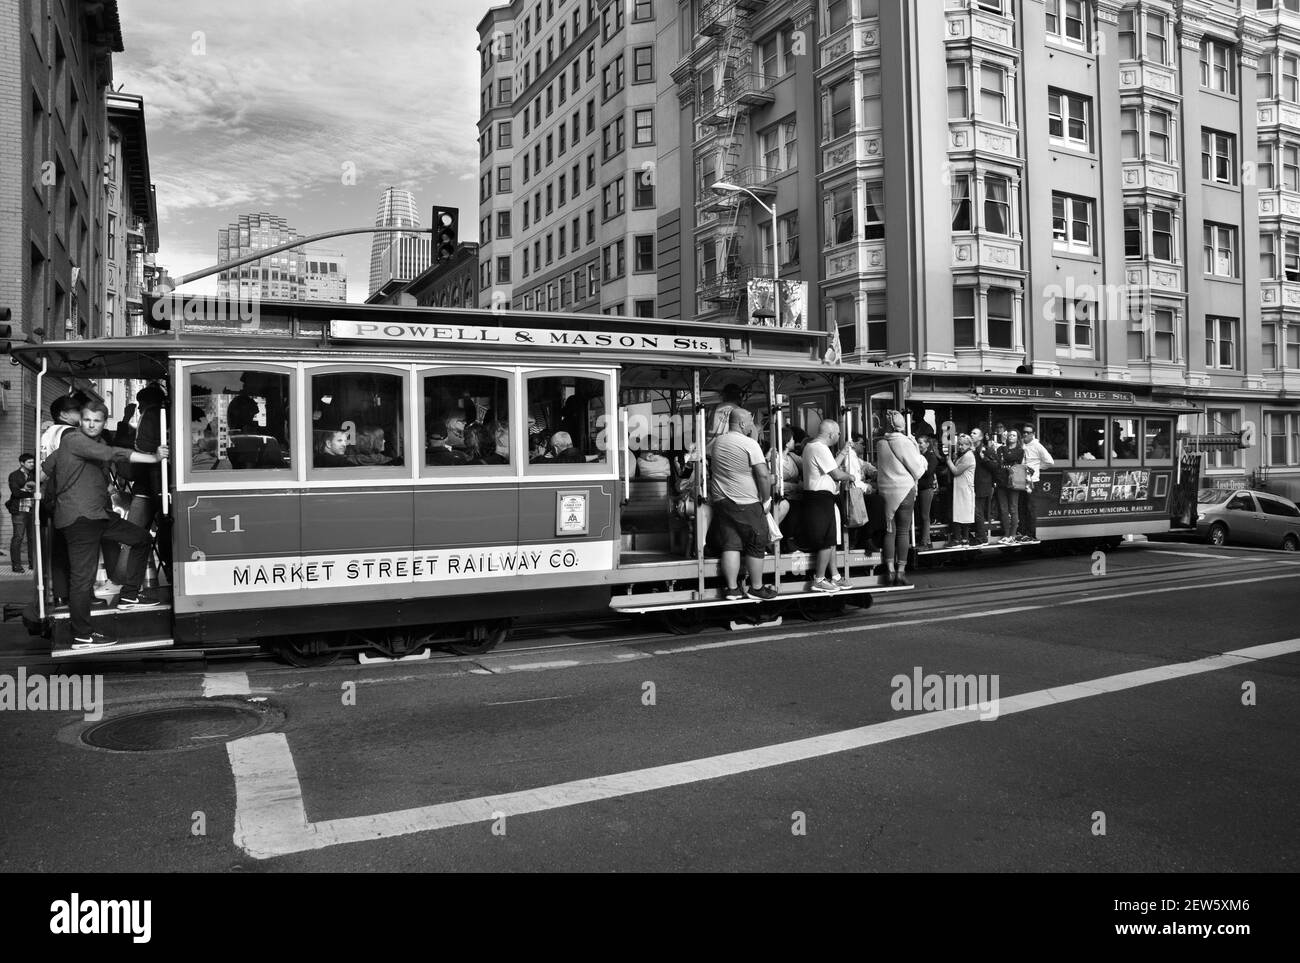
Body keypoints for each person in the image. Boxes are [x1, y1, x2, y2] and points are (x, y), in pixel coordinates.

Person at [43, 401, 169, 649]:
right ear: (80, 420)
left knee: (141, 538)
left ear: (103, 422)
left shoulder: (95, 444)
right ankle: (82, 635)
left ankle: (130, 595)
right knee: (82, 579)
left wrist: (34, 481)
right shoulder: (73, 440)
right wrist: (154, 457)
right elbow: (114, 454)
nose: (91, 424)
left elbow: (47, 467)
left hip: (100, 516)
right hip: (79, 519)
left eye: (97, 420)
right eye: (87, 419)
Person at [706, 408, 778, 601]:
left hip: (722, 502)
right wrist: (767, 499)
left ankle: (731, 589)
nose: (753, 426)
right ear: (743, 423)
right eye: (751, 422)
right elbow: (763, 475)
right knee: (757, 542)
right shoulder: (749, 444)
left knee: (730, 544)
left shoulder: (718, 442)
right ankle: (756, 587)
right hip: (746, 502)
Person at [800, 419, 856, 592]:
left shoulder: (811, 446)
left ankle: (835, 576)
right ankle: (819, 579)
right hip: (821, 498)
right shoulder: (820, 448)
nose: (839, 436)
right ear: (831, 434)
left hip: (819, 498)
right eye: (838, 433)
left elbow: (830, 467)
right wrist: (852, 477)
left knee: (830, 540)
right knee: (826, 540)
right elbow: (837, 474)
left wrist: (844, 450)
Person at [875, 410, 927, 586]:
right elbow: (918, 470)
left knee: (890, 530)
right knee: (904, 531)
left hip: (885, 491)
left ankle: (889, 571)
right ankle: (901, 572)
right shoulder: (905, 442)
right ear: (902, 425)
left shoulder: (880, 443)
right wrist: (917, 450)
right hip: (904, 490)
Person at [1020, 424, 1054, 542]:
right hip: (1020, 479)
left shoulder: (1037, 446)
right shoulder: (1022, 443)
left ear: (1033, 434)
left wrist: (1037, 468)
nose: (1025, 434)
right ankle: (1023, 532)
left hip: (1032, 481)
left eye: (1028, 432)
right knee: (1022, 507)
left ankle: (1031, 534)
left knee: (1030, 508)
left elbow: (1050, 462)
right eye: (1024, 432)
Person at [994, 428, 1025, 544]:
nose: (1011, 437)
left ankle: (1013, 534)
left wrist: (1003, 453)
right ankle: (1006, 534)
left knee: (1013, 508)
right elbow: (998, 461)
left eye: (1014, 435)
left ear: (1018, 438)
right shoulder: (1001, 448)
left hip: (1014, 482)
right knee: (1003, 509)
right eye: (1009, 435)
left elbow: (1009, 457)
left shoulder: (1020, 450)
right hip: (1001, 482)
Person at [7, 453, 37, 573]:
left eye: (33, 462)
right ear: (22, 463)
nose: (32, 464)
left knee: (32, 538)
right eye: (29, 462)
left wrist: (24, 490)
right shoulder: (14, 475)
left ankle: (32, 564)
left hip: (33, 510)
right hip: (19, 510)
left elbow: (40, 488)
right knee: (18, 537)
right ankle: (16, 565)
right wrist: (32, 492)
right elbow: (16, 493)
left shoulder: (35, 474)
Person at [946, 434, 976, 545]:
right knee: (960, 513)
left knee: (963, 514)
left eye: (963, 444)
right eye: (959, 444)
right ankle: (962, 538)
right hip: (961, 488)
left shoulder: (968, 456)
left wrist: (949, 461)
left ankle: (961, 538)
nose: (960, 446)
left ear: (969, 445)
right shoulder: (963, 455)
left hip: (965, 488)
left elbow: (956, 471)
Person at [969, 426, 994, 545]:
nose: (971, 435)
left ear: (980, 437)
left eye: (974, 433)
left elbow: (995, 467)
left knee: (977, 511)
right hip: (972, 484)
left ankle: (982, 537)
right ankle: (977, 535)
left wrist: (983, 457)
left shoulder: (986, 450)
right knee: (974, 510)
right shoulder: (970, 449)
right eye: (971, 433)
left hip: (982, 485)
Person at [915, 436, 939, 550]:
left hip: (926, 488)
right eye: (918, 443)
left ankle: (925, 541)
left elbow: (929, 472)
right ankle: (926, 540)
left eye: (921, 443)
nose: (919, 445)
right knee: (921, 515)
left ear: (927, 444)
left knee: (925, 515)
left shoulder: (932, 457)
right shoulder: (918, 456)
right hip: (919, 488)